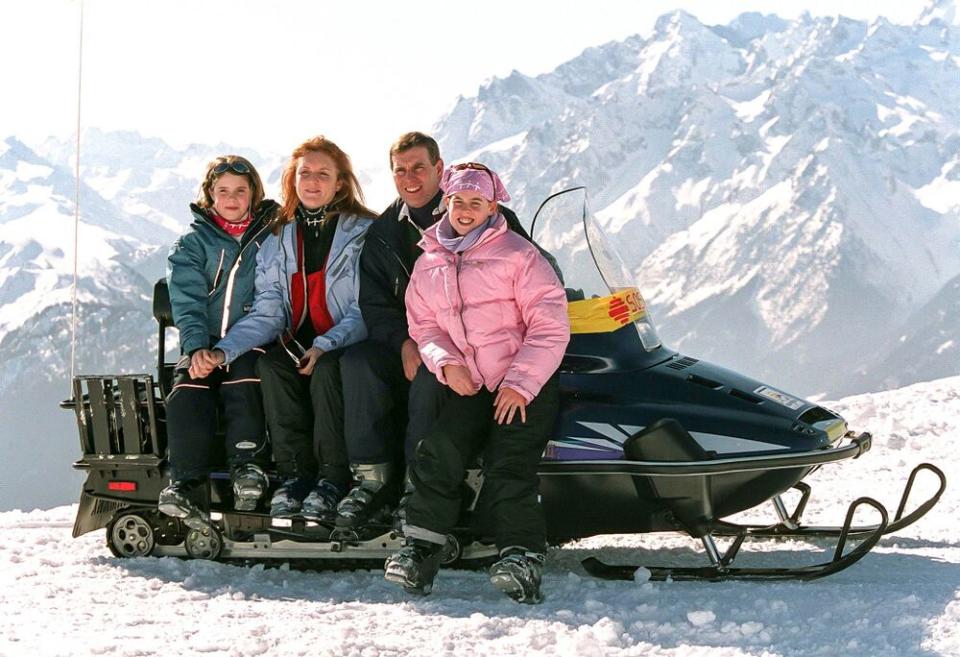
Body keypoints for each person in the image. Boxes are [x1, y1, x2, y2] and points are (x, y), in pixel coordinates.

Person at [383, 163, 569, 604]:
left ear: (492, 206)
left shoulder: (519, 255)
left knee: (509, 460)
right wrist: (447, 366)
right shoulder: (430, 261)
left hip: (524, 384)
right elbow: (423, 326)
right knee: (439, 450)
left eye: (476, 202)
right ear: (446, 202)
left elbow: (550, 326)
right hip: (473, 383)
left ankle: (521, 557)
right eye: (458, 201)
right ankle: (422, 552)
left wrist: (520, 383)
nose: (465, 210)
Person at [337, 132, 533, 528]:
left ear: (440, 169)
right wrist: (403, 342)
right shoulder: (384, 233)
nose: (410, 178)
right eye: (400, 170)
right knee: (358, 362)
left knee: (431, 375)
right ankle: (371, 478)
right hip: (414, 340)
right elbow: (375, 305)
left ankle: (419, 485)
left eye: (419, 168)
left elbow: (531, 272)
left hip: (472, 348)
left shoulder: (483, 214)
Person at [196, 136, 376, 521]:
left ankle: (333, 477)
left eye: (322, 174)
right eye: (304, 173)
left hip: (350, 339)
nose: (312, 182)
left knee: (328, 371)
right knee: (272, 366)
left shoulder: (362, 233)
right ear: (292, 179)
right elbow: (269, 311)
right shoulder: (278, 237)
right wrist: (224, 350)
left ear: (340, 183)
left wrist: (327, 344)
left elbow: (366, 308)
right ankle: (295, 476)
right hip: (299, 340)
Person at [158, 155, 278, 528]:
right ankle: (185, 482)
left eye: (240, 191)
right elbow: (188, 301)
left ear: (253, 195)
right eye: (222, 190)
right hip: (204, 340)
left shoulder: (268, 239)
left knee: (245, 379)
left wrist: (232, 346)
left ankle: (247, 467)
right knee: (189, 387)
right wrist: (196, 348)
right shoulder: (193, 243)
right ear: (210, 195)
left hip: (250, 340)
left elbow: (270, 299)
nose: (231, 198)